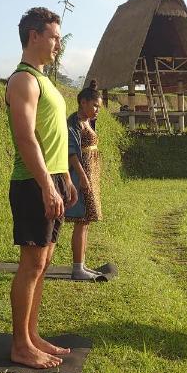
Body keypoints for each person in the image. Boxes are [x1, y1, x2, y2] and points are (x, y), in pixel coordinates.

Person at [5, 7, 77, 369]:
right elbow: (26, 137)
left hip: (52, 180)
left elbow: (54, 137)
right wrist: (47, 184)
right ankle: (20, 344)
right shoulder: (23, 80)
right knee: (31, 263)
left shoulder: (43, 79)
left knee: (44, 261)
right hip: (33, 183)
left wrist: (64, 179)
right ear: (34, 36)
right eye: (53, 37)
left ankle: (32, 335)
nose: (57, 44)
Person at [65, 80, 103, 280]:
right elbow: (71, 153)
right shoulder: (73, 122)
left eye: (99, 106)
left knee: (86, 220)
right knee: (81, 220)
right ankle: (77, 268)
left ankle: (82, 264)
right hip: (82, 175)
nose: (97, 110)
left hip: (91, 174)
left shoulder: (88, 121)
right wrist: (82, 177)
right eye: (95, 105)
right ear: (83, 102)